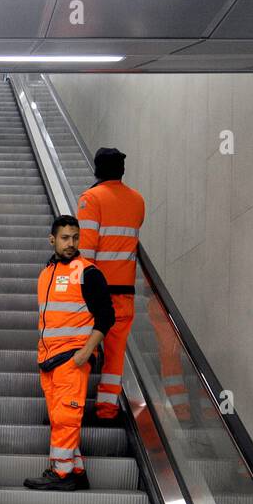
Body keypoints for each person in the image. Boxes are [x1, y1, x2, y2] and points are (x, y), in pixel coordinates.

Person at [24, 215, 115, 492]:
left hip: (72, 358)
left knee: (65, 418)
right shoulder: (46, 273)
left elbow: (107, 316)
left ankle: (61, 475)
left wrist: (85, 352)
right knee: (59, 418)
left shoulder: (88, 272)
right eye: (65, 237)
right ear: (52, 239)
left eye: (75, 237)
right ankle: (75, 470)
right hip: (49, 360)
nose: (71, 243)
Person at [75, 148, 159, 421]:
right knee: (115, 351)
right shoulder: (138, 201)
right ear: (121, 171)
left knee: (84, 344)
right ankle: (107, 408)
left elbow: (86, 250)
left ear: (97, 170)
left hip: (96, 291)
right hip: (125, 293)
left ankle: (74, 404)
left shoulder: (91, 199)